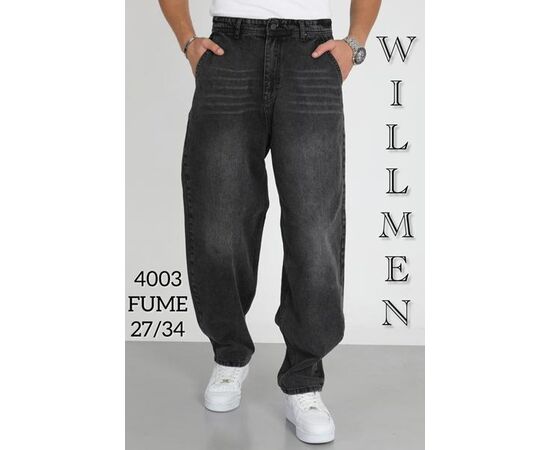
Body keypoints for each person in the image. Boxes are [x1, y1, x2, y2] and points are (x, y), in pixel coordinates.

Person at [159, 0, 381, 444]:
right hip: (229, 51)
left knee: (314, 227)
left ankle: (304, 379)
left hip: (311, 52)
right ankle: (229, 354)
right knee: (219, 219)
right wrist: (187, 41)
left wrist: (354, 44)